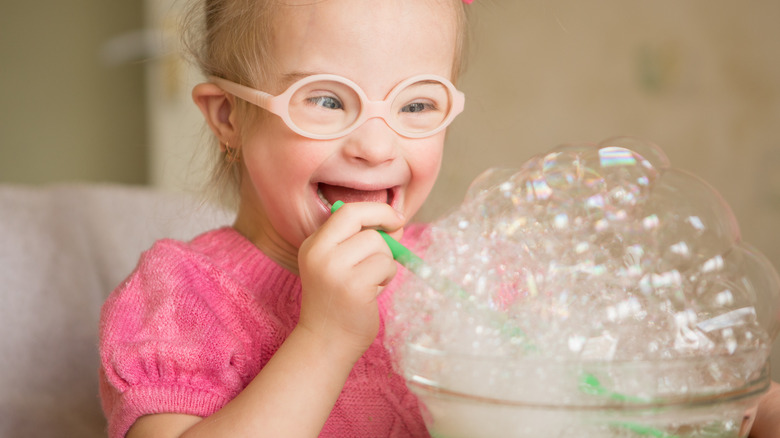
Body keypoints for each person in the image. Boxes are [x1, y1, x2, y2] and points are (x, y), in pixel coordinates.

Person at [99, 0, 467, 437]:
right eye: (327, 100)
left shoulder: (460, 275)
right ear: (228, 116)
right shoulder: (180, 296)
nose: (376, 146)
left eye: (416, 105)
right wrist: (326, 337)